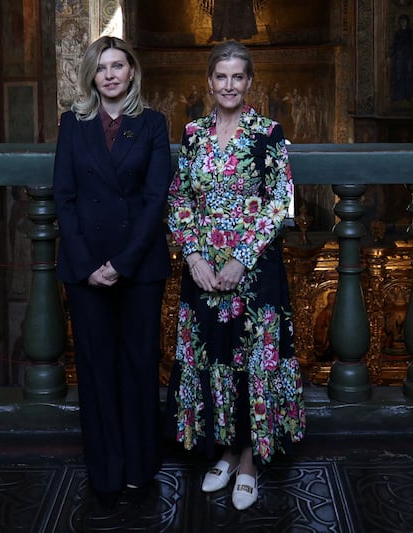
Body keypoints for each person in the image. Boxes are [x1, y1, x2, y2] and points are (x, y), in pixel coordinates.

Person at [166, 40, 306, 511]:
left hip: (254, 271)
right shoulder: (193, 134)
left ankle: (249, 459)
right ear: (209, 82)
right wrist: (195, 258)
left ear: (249, 82)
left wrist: (240, 259)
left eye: (238, 77)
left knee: (252, 361)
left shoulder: (268, 132)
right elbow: (179, 199)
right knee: (216, 358)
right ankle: (224, 452)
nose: (229, 85)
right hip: (203, 273)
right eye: (220, 77)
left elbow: (278, 201)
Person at [52, 35, 172, 511]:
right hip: (86, 271)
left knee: (139, 367)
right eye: (102, 68)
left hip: (139, 268)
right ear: (91, 76)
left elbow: (154, 200)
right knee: (97, 370)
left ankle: (141, 467)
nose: (111, 75)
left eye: (118, 66)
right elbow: (64, 197)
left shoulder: (153, 124)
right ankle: (105, 472)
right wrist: (89, 267)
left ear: (132, 72)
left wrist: (121, 264)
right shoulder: (72, 125)